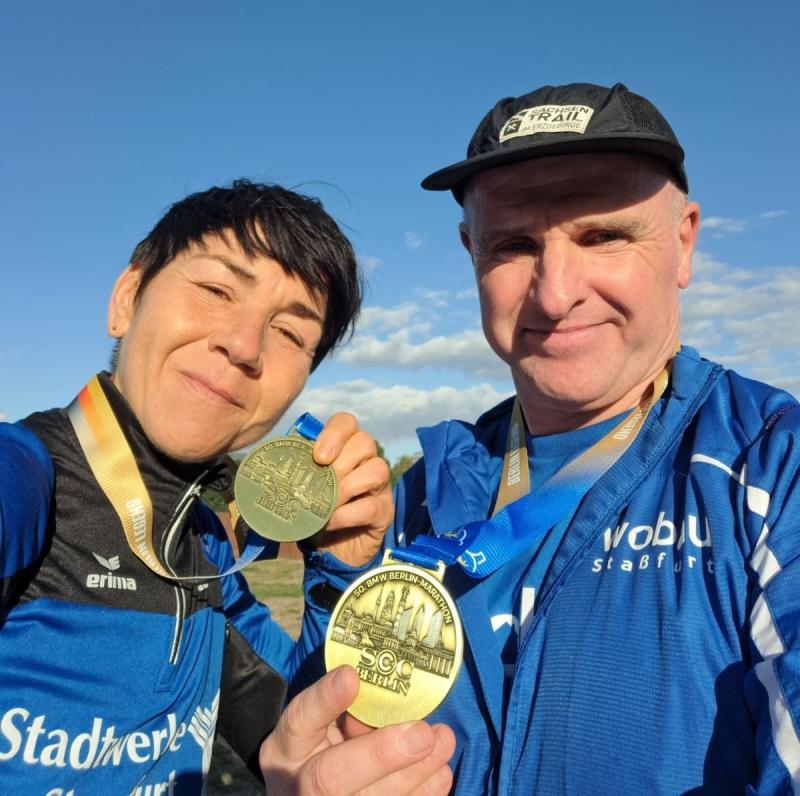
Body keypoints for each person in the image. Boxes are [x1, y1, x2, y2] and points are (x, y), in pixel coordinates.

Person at [377, 83, 800, 793]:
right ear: (471, 252)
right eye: (513, 245)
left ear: (684, 241)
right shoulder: (425, 491)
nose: (554, 294)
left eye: (603, 236)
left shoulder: (774, 465)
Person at [0, 179, 454, 794]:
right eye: (216, 290)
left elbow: (296, 727)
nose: (244, 346)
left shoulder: (208, 548)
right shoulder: (24, 480)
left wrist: (341, 572)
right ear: (127, 298)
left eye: (290, 333)